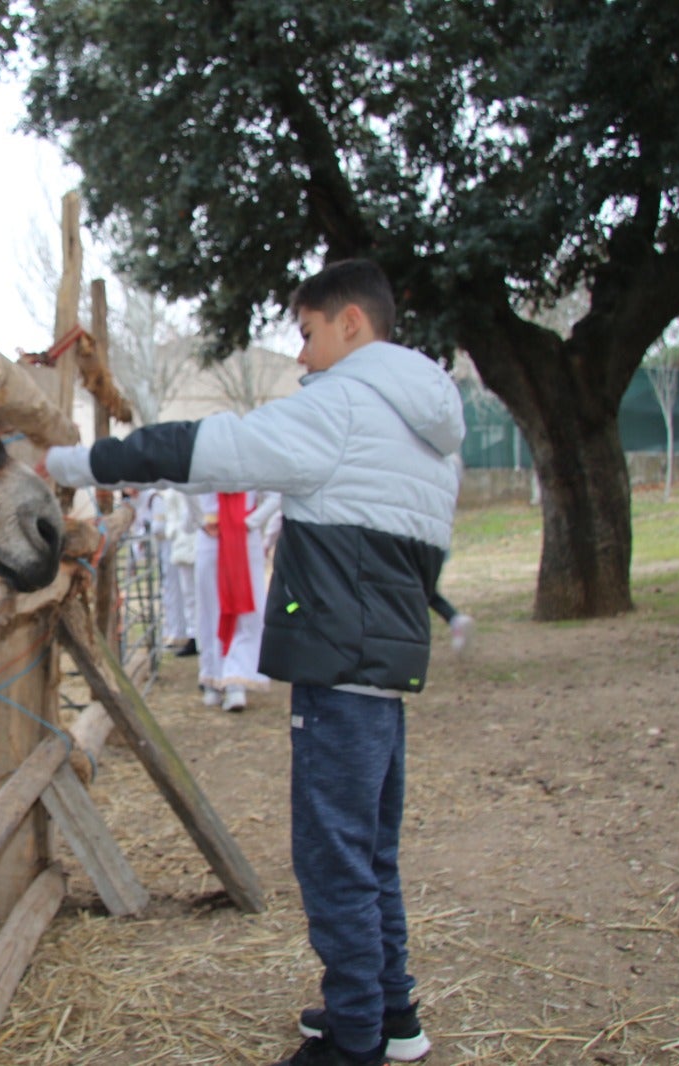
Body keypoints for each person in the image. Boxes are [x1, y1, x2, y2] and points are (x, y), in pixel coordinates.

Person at [39, 258, 463, 1066]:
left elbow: (207, 449)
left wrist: (69, 465)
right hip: (382, 668)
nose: (300, 356)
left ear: (351, 325)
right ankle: (390, 1010)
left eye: (306, 334)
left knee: (331, 855)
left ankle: (354, 1038)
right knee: (369, 850)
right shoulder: (431, 432)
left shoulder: (343, 407)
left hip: (339, 669)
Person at [192, 489, 278, 711]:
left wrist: (250, 521)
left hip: (243, 537)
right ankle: (212, 676)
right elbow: (184, 485)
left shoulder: (253, 458)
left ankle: (235, 680)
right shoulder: (203, 456)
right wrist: (200, 519)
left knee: (247, 612)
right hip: (212, 536)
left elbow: (276, 494)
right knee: (211, 610)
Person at [153, 488, 200, 656]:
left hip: (190, 539)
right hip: (182, 542)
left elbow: (189, 512)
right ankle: (192, 633)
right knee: (188, 594)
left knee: (194, 593)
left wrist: (176, 530)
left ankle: (196, 634)